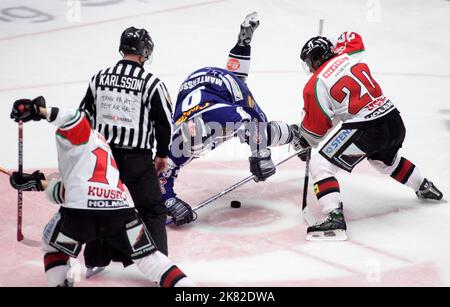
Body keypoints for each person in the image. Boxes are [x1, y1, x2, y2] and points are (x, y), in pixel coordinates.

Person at [8, 97, 194, 287]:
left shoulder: (78, 132)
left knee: (54, 248)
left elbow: (76, 117)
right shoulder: (101, 143)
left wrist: (40, 111)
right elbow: (74, 190)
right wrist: (39, 184)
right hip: (121, 214)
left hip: (79, 218)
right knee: (152, 260)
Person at [291, 32, 444, 241]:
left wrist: (304, 141)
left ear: (317, 59)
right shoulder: (349, 58)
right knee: (385, 160)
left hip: (368, 129)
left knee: (320, 164)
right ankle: (424, 186)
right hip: (393, 120)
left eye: (309, 62)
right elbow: (355, 43)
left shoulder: (315, 84)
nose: (309, 68)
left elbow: (316, 129)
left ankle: (334, 217)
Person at [159, 12, 294, 226]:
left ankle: (295, 133)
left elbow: (257, 117)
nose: (199, 153)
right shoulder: (177, 139)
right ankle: (242, 43)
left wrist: (261, 153)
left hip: (223, 83)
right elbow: (160, 177)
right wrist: (168, 201)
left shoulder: (227, 116)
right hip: (193, 87)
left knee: (257, 127)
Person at [79, 27, 173, 259]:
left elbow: (83, 117)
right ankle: (159, 264)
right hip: (137, 160)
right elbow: (165, 124)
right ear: (145, 52)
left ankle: (95, 260)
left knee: (102, 206)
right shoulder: (151, 83)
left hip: (103, 158)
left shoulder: (99, 78)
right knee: (151, 209)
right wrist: (161, 154)